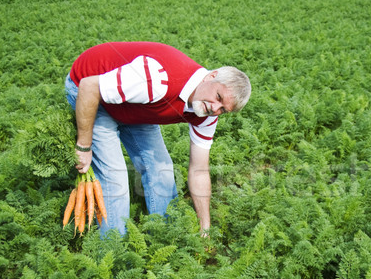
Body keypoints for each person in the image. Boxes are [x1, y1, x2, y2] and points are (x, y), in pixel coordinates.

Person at [64, 42, 251, 237]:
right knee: (114, 177)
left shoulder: (208, 114)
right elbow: (89, 87)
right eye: (218, 96)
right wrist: (84, 147)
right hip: (90, 91)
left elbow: (199, 169)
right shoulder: (157, 80)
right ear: (211, 76)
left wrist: (205, 228)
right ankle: (113, 253)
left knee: (162, 169)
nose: (215, 108)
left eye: (223, 109)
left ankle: (165, 237)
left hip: (134, 103)